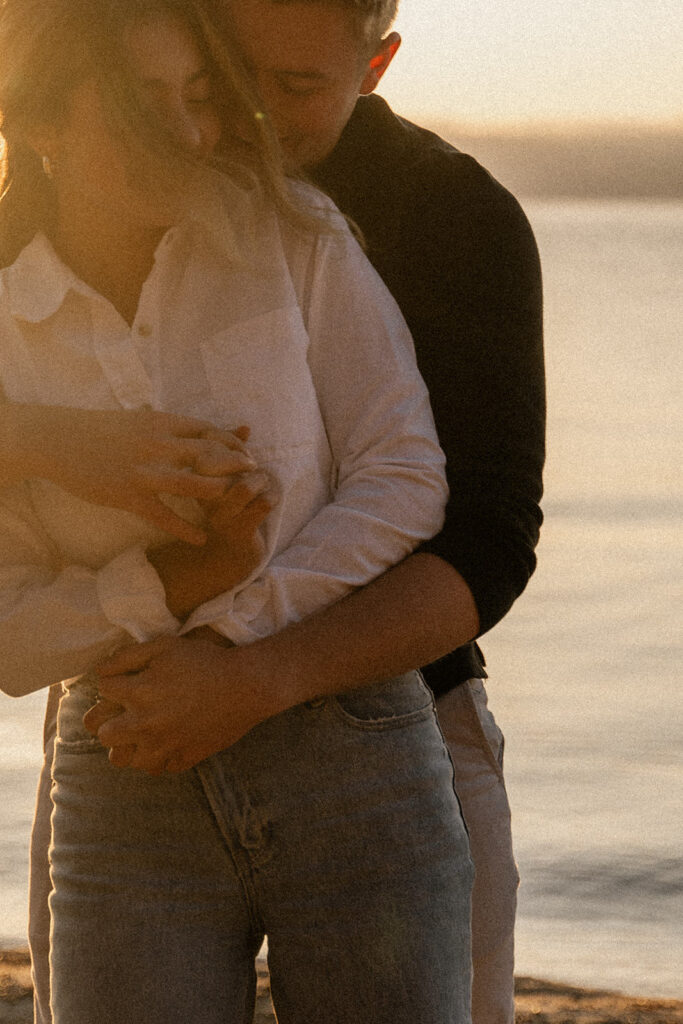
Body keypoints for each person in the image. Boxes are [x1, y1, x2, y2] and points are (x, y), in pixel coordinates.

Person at [4, 1, 543, 1022]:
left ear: (373, 66)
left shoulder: (429, 216)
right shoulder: (33, 220)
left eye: (293, 88)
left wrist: (245, 655)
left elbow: (478, 540)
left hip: (389, 711)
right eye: (222, 74)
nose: (226, 120)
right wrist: (56, 438)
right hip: (138, 724)